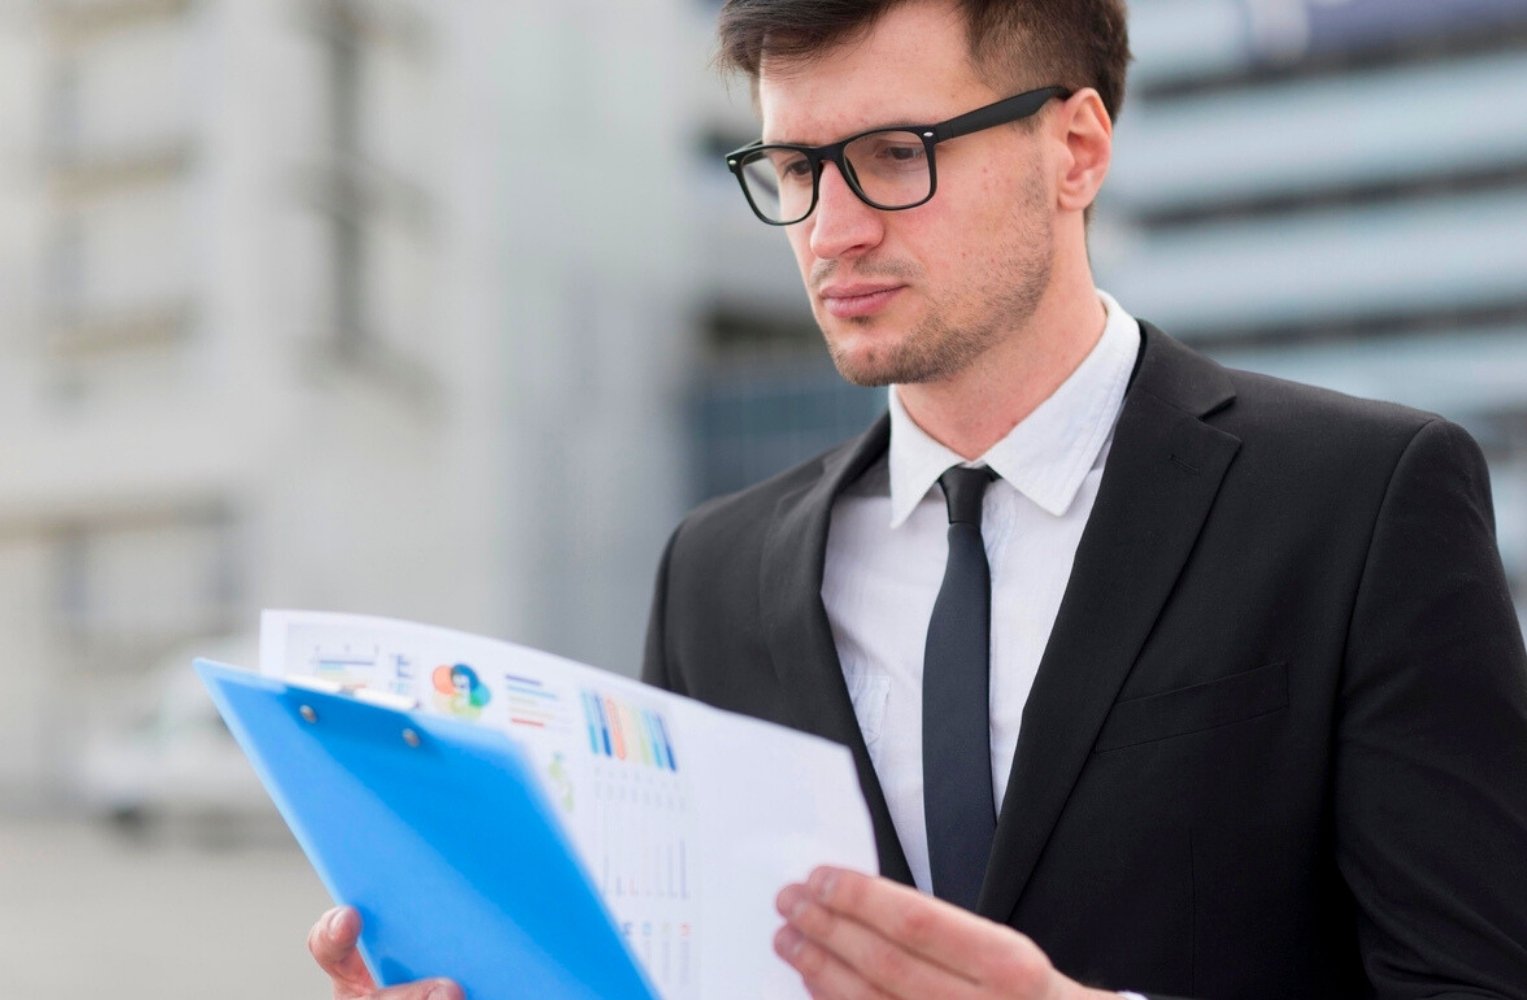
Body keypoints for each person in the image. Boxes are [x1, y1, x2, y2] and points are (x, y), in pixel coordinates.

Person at [310, 1, 1527, 997]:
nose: (831, 228)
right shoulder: (715, 574)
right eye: (795, 167)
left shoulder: (1362, 503)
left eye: (895, 156)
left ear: (1078, 148)